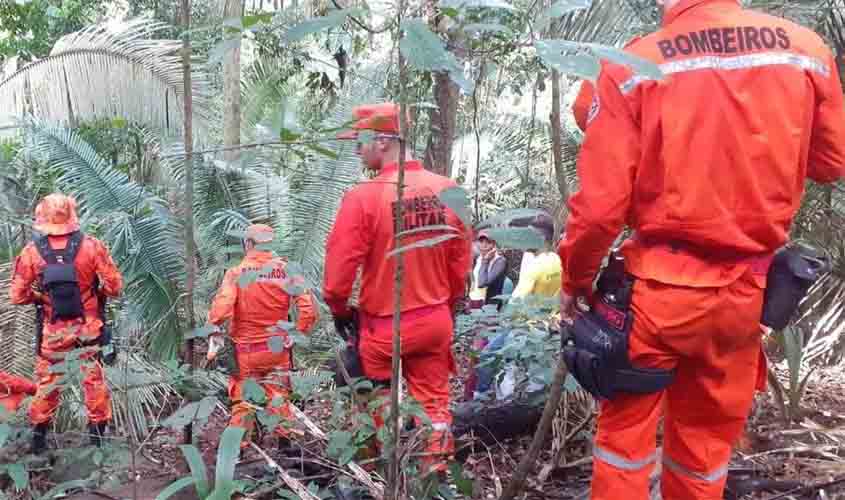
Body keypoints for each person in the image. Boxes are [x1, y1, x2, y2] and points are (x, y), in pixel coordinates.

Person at [558, 0, 845, 499]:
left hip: (657, 298)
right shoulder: (806, 51)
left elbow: (600, 209)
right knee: (703, 453)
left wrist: (576, 280)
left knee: (623, 447)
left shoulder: (631, 64)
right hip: (745, 296)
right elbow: (830, 161)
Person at [323, 102, 472, 475]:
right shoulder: (448, 190)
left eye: (360, 141)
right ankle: (433, 480)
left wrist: (339, 310)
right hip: (435, 319)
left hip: (383, 329)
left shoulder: (363, 197)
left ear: (384, 141)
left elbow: (339, 272)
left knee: (379, 406)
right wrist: (448, 305)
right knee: (435, 408)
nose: (357, 150)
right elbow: (460, 264)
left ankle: (381, 478)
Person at [10, 193, 123, 452]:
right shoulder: (92, 246)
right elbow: (115, 287)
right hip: (88, 327)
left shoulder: (32, 252)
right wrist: (96, 294)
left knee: (48, 383)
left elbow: (17, 296)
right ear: (72, 215)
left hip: (54, 331)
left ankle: (39, 442)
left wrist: (40, 298)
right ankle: (98, 443)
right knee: (93, 379)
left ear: (42, 217)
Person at [208, 223, 319, 450]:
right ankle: (287, 451)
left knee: (243, 403)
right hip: (277, 350)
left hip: (246, 353)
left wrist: (212, 328)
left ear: (248, 244)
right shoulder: (287, 270)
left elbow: (221, 311)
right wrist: (297, 331)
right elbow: (308, 308)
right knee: (279, 397)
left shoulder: (236, 273)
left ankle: (236, 455)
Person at [473, 212, 562, 399]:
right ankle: (531, 403)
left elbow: (516, 301)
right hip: (545, 325)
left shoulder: (535, 266)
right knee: (535, 372)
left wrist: (503, 322)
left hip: (523, 327)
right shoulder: (557, 260)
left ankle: (484, 397)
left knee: (493, 358)